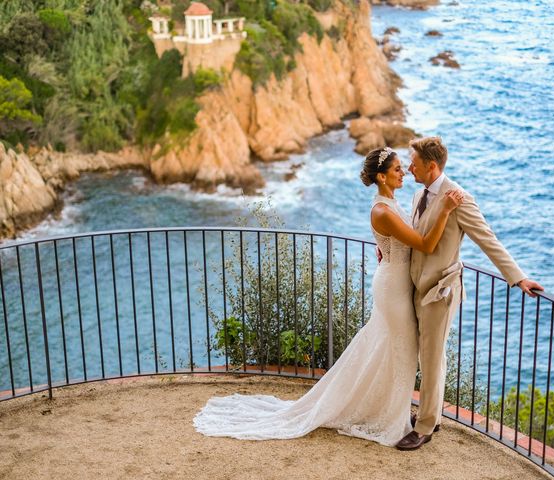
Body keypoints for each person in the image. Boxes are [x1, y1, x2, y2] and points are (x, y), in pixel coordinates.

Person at [193, 147, 463, 447]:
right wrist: (446, 210)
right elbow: (424, 244)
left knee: (394, 349)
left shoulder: (392, 204)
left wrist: (387, 248)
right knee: (402, 349)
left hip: (398, 282)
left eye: (403, 167)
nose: (404, 173)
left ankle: (390, 409)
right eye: (398, 169)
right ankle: (391, 416)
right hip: (393, 290)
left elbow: (404, 240)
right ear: (381, 176)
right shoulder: (382, 211)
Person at [395, 136, 544, 451]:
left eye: (414, 163)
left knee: (432, 357)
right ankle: (431, 414)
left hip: (440, 291)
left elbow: (487, 239)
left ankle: (424, 427)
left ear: (432, 166)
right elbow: (418, 237)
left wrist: (519, 278)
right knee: (428, 355)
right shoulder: (418, 195)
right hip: (415, 287)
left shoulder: (459, 199)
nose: (409, 169)